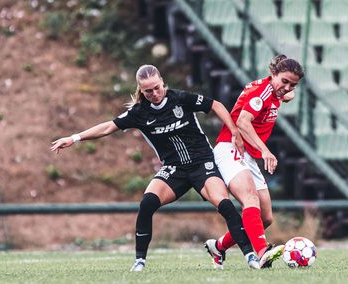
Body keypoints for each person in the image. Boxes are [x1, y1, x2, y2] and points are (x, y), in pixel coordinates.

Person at [51, 64, 261, 271]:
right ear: (141, 91)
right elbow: (108, 127)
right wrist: (74, 137)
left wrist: (234, 131)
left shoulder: (179, 99)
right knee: (147, 203)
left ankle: (250, 255)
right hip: (174, 169)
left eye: (157, 87)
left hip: (201, 163)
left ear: (162, 82)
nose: (154, 93)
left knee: (224, 203)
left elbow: (215, 104)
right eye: (148, 91)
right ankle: (139, 261)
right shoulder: (139, 113)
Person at [204, 55, 305, 269]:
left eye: (292, 84)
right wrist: (266, 151)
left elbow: (287, 95)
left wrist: (286, 93)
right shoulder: (262, 92)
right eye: (284, 81)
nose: (287, 87)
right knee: (250, 198)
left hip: (248, 155)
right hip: (230, 147)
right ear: (273, 75)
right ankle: (262, 252)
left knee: (266, 218)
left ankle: (219, 246)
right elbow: (242, 122)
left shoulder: (276, 92)